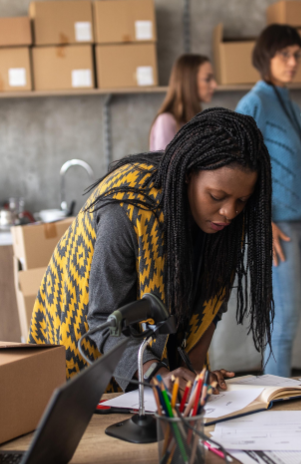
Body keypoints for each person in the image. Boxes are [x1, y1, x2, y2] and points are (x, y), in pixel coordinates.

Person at [29, 108, 274, 393]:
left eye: (242, 200)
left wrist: (192, 377)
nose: (229, 211)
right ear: (186, 176)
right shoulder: (127, 209)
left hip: (147, 362)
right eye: (217, 196)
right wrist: (158, 375)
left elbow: (210, 306)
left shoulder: (224, 222)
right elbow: (103, 322)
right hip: (81, 362)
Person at [235, 24, 301, 378]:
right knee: (285, 319)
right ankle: (273, 400)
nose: (293, 61)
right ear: (266, 57)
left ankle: (275, 394)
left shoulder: (291, 105)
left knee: (291, 317)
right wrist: (259, 221)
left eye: (297, 54)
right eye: (285, 54)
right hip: (279, 227)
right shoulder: (254, 103)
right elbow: (235, 169)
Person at [149, 54, 218, 151]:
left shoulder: (198, 119)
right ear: (189, 81)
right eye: (207, 79)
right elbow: (164, 164)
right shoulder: (166, 121)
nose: (215, 85)